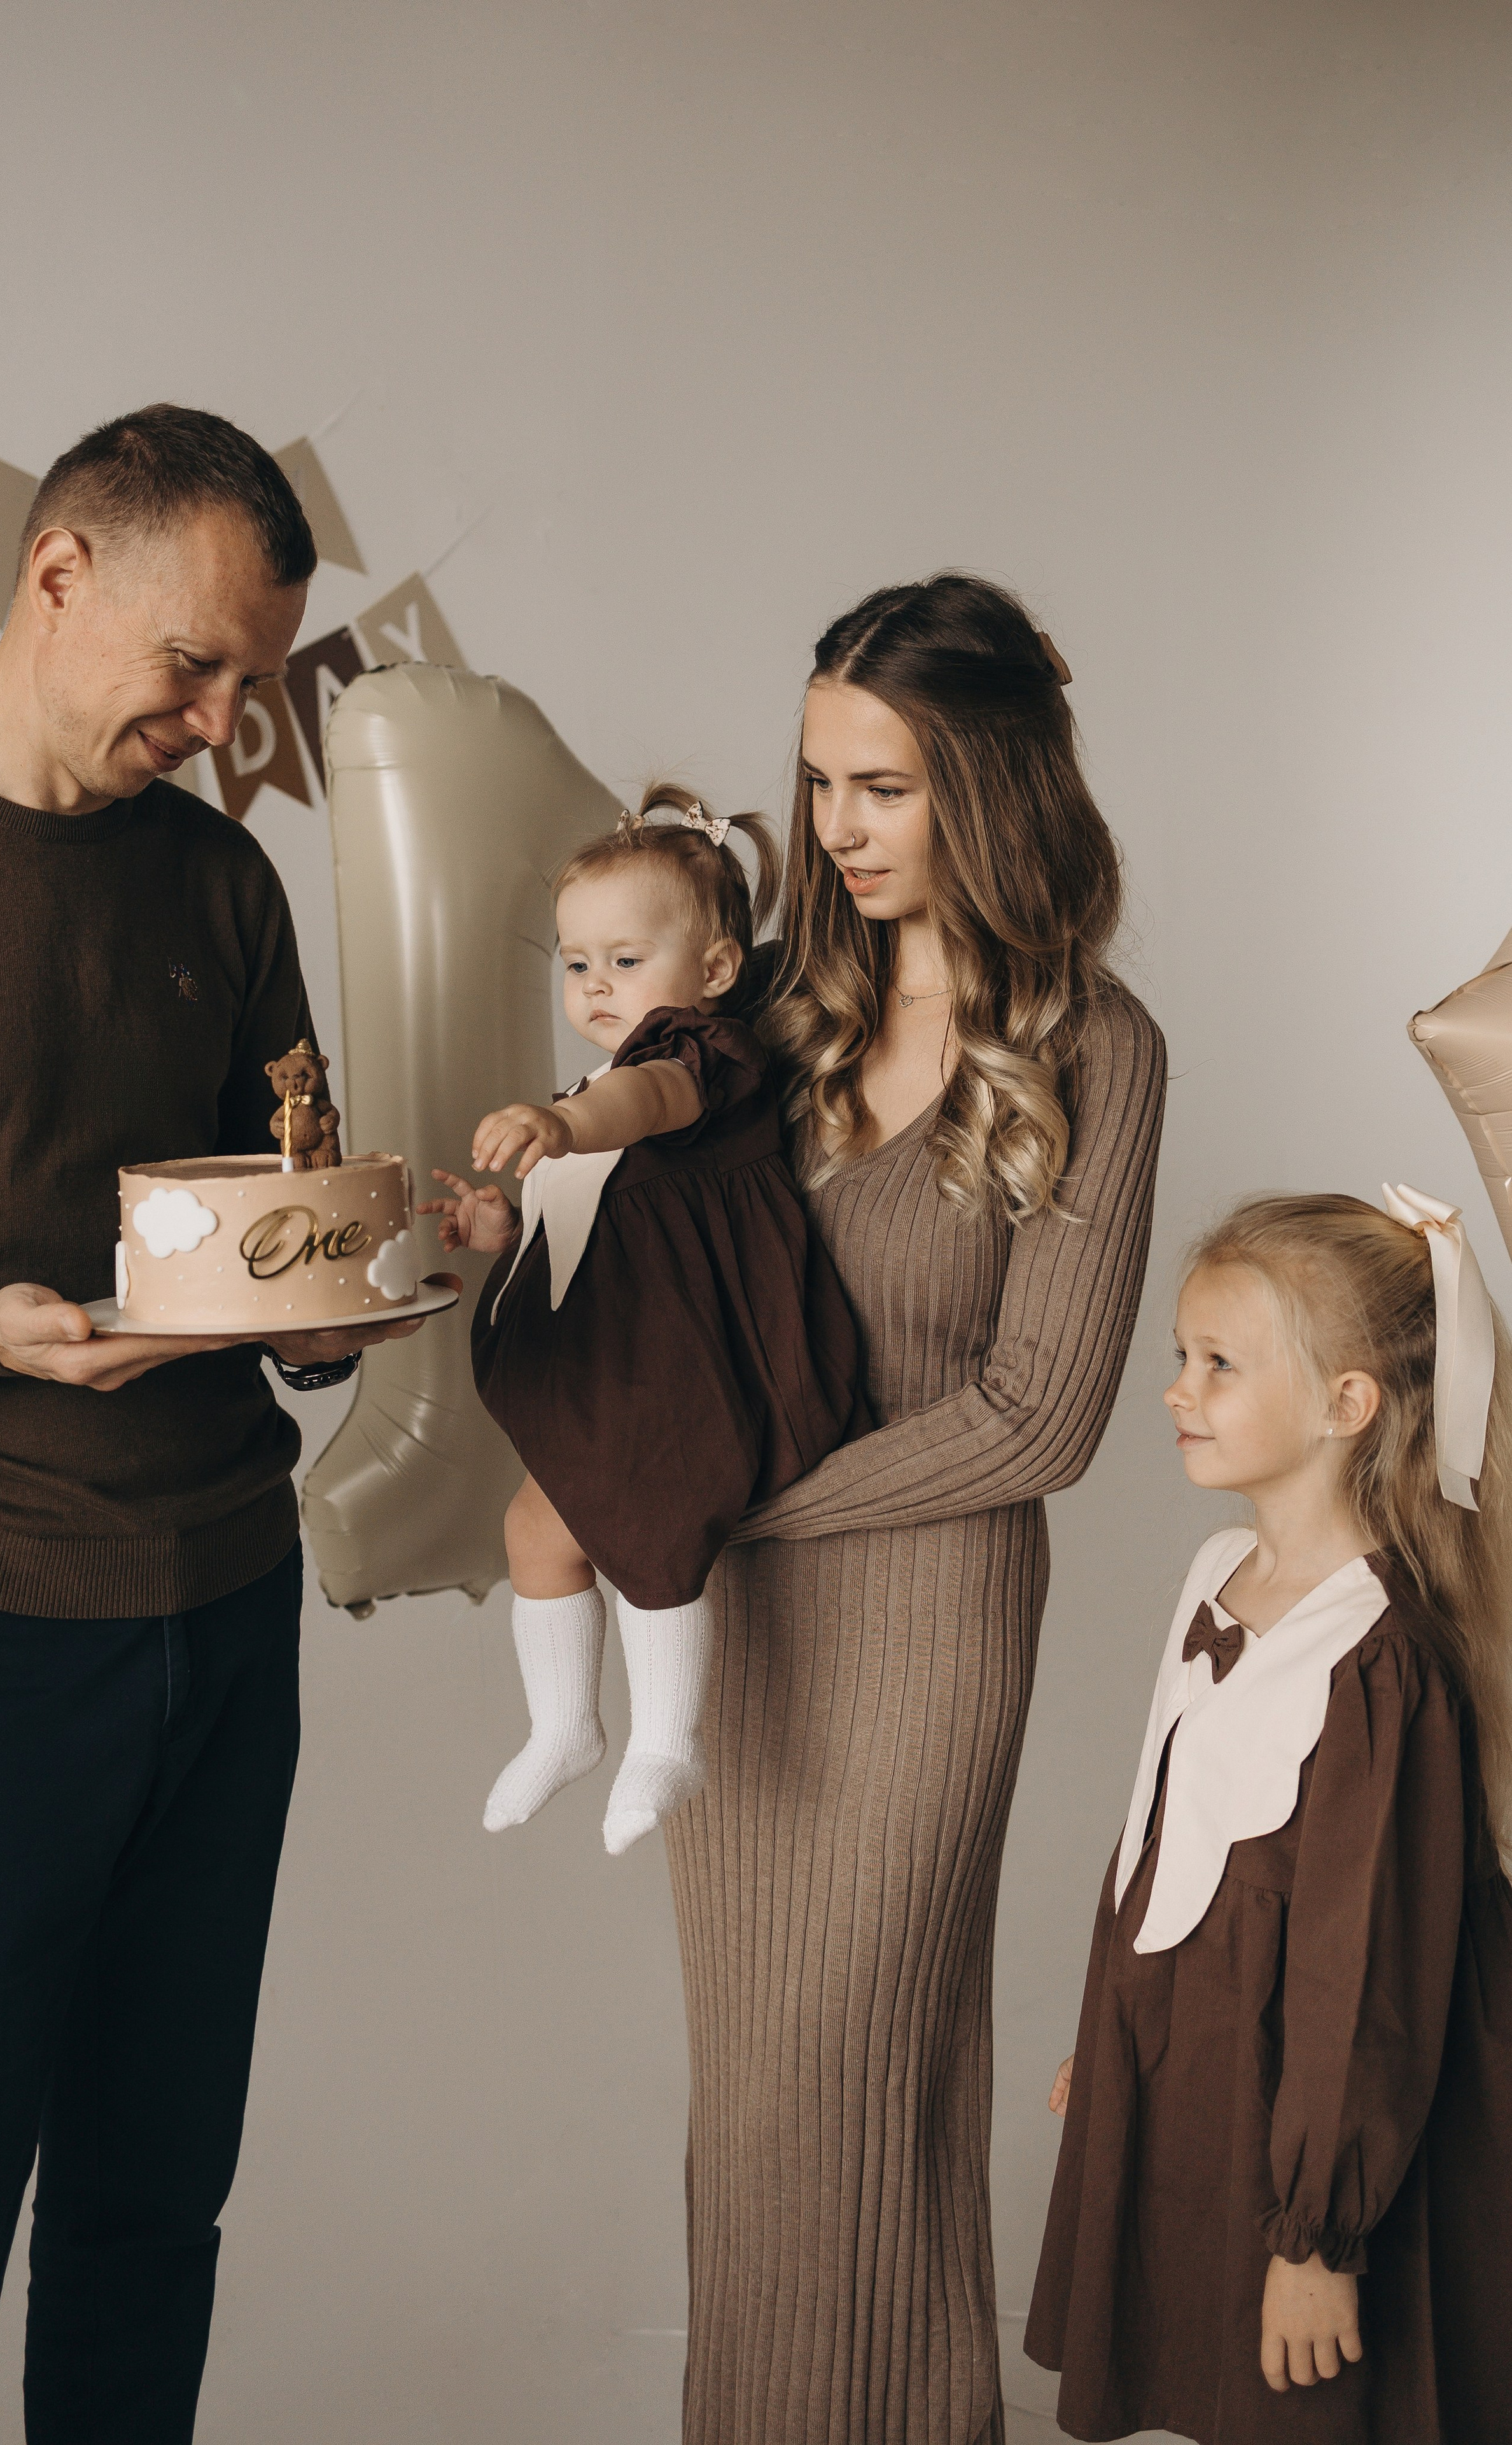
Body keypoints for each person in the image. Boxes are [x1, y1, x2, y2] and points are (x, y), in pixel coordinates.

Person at [0, 404, 426, 2443]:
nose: (220, 723)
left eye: (252, 683)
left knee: (150, 2205)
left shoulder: (221, 876)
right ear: (54, 574)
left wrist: (347, 1293)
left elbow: (277, 1242)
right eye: (194, 665)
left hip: (219, 1614)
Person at [662, 574, 1168, 2445]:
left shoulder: (1098, 1046)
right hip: (730, 1638)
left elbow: (1041, 1419)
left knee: (847, 2083)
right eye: (819, 783)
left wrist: (739, 1507)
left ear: (993, 783)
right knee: (751, 2111)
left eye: (883, 787)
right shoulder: (774, 1014)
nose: (836, 830)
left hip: (924, 1627)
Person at [1026, 1187, 1512, 2444]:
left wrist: (1315, 2235)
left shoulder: (1378, 1657)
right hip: (1201, 2065)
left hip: (1312, 2110)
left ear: (1347, 1403)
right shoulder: (1216, 1573)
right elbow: (1164, 1830)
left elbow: (1364, 1972)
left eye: (1218, 1364)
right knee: (1210, 2384)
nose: (1177, 1390)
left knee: (1309, 2402)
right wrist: (1118, 2029)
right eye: (1180, 1357)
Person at [423, 787, 865, 1854]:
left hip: (683, 1365)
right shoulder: (600, 1080)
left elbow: (646, 1106)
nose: (594, 985)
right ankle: (564, 1724)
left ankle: (667, 1737)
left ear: (714, 969)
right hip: (615, 1358)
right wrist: (502, 1223)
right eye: (577, 962)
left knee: (654, 1536)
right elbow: (587, 1212)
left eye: (625, 960)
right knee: (535, 1529)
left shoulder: (703, 1058)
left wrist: (563, 1119)